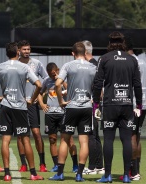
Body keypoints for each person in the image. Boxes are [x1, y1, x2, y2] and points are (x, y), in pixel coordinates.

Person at [0, 42, 44, 181]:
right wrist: (31, 100)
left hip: (5, 106)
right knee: (26, 140)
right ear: (18, 53)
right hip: (20, 107)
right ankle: (33, 173)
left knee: (6, 140)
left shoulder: (0, 67)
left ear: (6, 53)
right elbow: (39, 85)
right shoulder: (24, 67)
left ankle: (6, 173)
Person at [93, 31, 142, 183]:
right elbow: (137, 84)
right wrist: (139, 104)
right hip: (127, 104)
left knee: (108, 139)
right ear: (123, 42)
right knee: (127, 140)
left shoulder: (104, 58)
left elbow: (97, 83)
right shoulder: (132, 59)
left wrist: (95, 104)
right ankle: (127, 175)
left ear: (109, 43)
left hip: (110, 104)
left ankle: (107, 175)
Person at [49, 42, 96, 182]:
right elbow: (100, 88)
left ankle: (60, 173)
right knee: (84, 142)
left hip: (71, 107)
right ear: (85, 52)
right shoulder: (93, 67)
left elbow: (57, 84)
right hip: (87, 107)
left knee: (64, 139)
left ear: (73, 53)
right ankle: (80, 174)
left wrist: (60, 101)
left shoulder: (68, 65)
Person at [38, 62, 78, 173]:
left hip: (63, 113)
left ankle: (75, 165)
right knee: (52, 139)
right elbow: (39, 92)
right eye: (50, 74)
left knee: (69, 140)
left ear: (58, 70)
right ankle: (56, 165)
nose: (52, 76)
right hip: (50, 114)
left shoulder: (63, 80)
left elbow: (71, 90)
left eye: (54, 73)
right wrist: (42, 104)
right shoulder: (46, 81)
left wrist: (60, 80)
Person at [124, 37, 146, 181]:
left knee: (131, 136)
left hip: (133, 104)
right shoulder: (144, 63)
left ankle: (133, 171)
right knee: (137, 135)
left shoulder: (130, 63)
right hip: (143, 104)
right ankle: (136, 169)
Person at [17, 40, 48, 172]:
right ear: (19, 50)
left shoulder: (37, 63)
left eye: (28, 49)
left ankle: (42, 163)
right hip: (18, 104)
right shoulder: (15, 64)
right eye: (24, 49)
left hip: (32, 104)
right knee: (21, 135)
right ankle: (23, 163)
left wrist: (38, 95)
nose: (27, 52)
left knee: (36, 133)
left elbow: (46, 80)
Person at [81, 40, 104, 175]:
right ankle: (99, 166)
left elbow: (97, 87)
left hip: (92, 104)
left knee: (91, 135)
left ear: (84, 52)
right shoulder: (97, 64)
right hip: (97, 104)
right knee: (95, 135)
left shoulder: (90, 66)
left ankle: (92, 167)